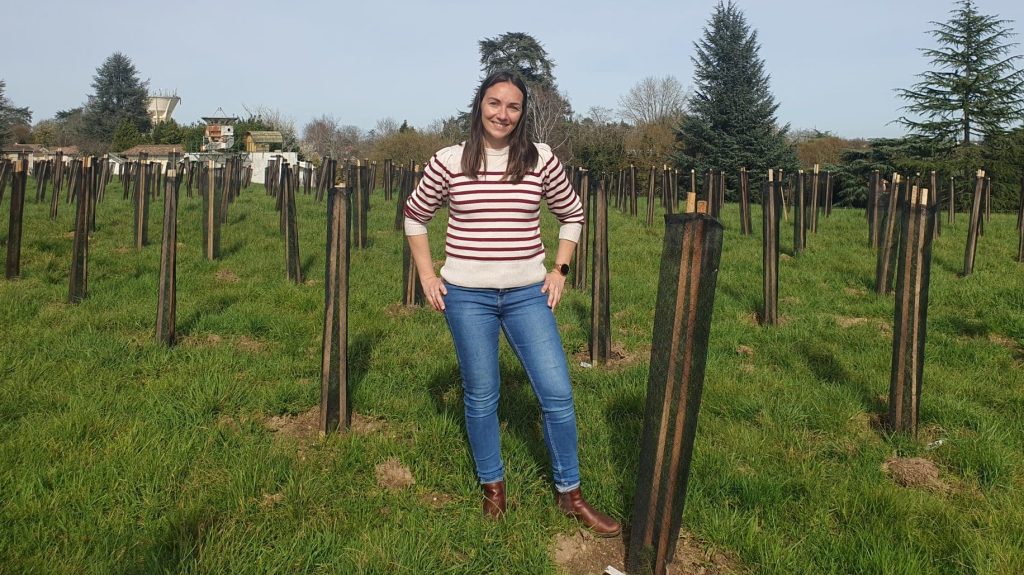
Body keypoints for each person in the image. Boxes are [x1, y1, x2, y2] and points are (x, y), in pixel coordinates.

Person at [403, 70, 620, 537]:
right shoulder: (449, 161)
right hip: (467, 296)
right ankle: (493, 488)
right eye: (494, 103)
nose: (502, 113)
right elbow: (414, 215)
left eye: (513, 106)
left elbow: (572, 213)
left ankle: (570, 494)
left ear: (523, 113)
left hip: (526, 294)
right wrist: (426, 274)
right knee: (482, 395)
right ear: (479, 105)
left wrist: (559, 270)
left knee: (558, 393)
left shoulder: (540, 159)